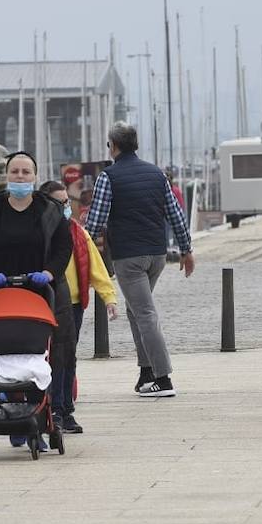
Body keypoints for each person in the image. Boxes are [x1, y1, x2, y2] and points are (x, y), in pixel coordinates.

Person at [0, 151, 74, 444]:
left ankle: (38, 420)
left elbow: (64, 247)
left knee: (41, 357)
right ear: (7, 174)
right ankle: (9, 416)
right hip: (0, 294)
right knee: (4, 358)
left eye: (26, 172)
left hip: (41, 292)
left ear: (35, 176)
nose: (20, 177)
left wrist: (50, 273)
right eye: (15, 171)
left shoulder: (50, 211)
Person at [83, 123, 196, 398]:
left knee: (144, 313)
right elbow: (176, 214)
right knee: (137, 310)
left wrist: (80, 247)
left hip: (128, 257)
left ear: (113, 145)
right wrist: (186, 249)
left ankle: (163, 377)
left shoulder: (108, 177)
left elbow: (96, 221)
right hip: (156, 255)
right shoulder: (156, 174)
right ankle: (146, 372)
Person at [40, 180, 118, 432]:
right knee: (49, 359)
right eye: (58, 202)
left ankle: (65, 410)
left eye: (66, 202)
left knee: (67, 358)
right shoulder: (38, 233)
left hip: (73, 305)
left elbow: (96, 267)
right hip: (43, 303)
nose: (65, 206)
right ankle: (50, 408)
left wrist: (109, 298)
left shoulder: (77, 232)